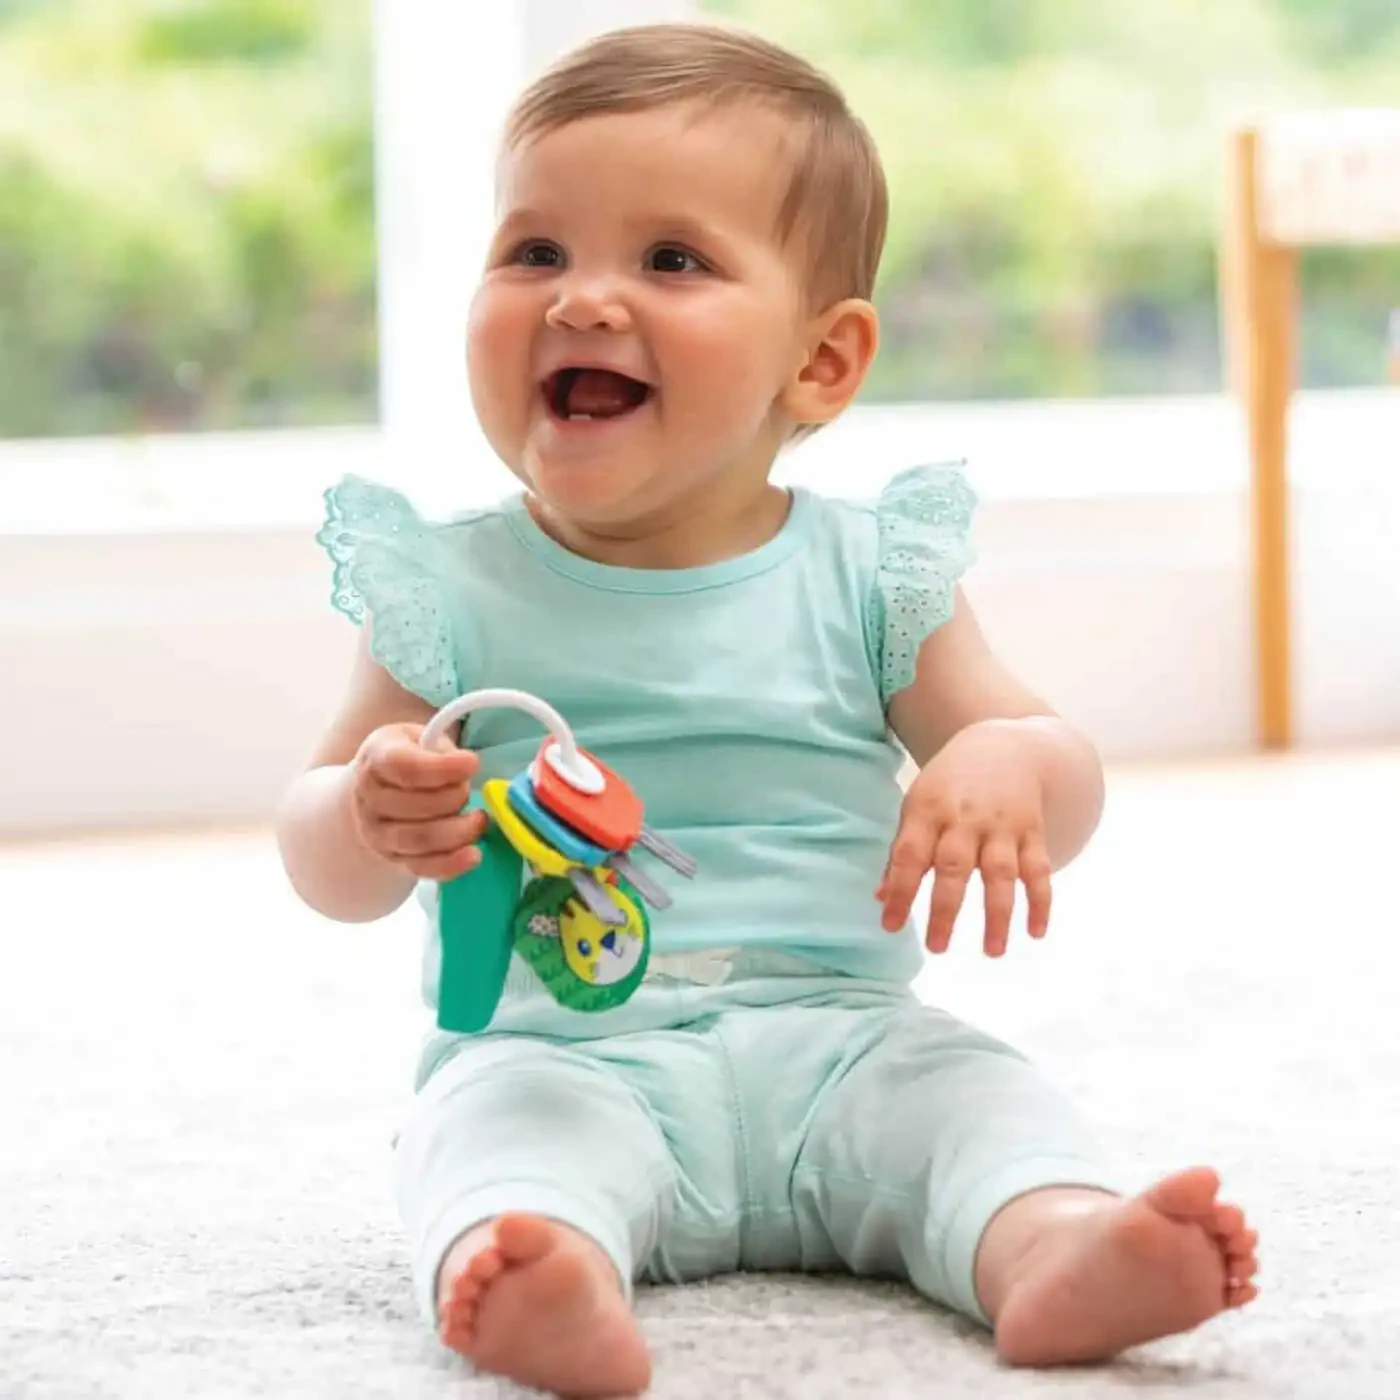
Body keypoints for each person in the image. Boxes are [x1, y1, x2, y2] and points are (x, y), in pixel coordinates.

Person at [276, 23, 1258, 1398]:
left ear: (823, 363)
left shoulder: (870, 572)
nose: (582, 300)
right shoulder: (445, 589)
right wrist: (366, 813)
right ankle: (539, 1275)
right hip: (562, 1055)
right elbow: (324, 862)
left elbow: (1062, 766)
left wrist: (1001, 761)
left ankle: (1053, 1248)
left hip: (845, 1040)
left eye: (671, 260)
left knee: (975, 1104)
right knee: (487, 1138)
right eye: (535, 250)